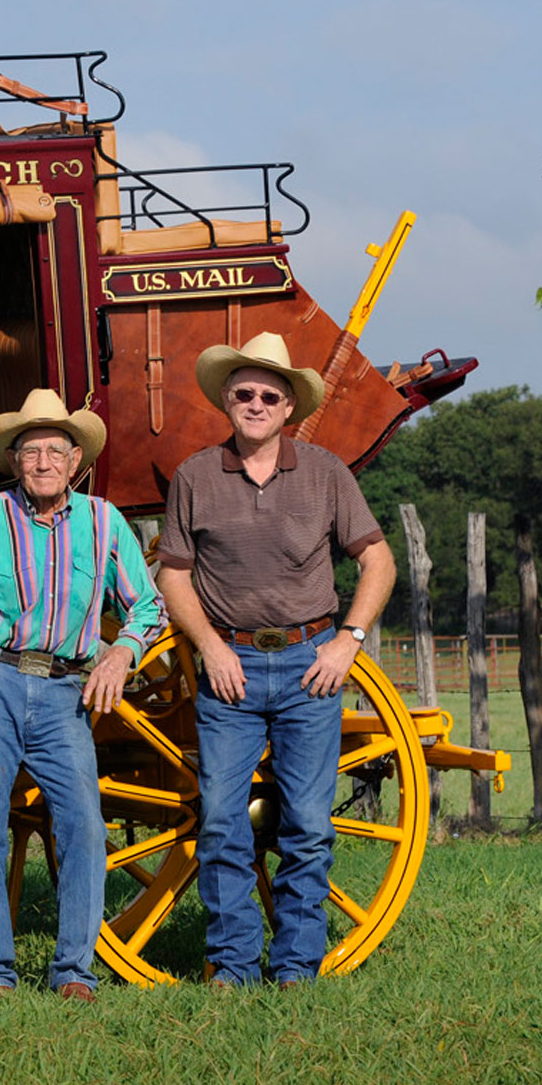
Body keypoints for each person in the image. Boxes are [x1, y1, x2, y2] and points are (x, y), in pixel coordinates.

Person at [155, 332, 395, 988]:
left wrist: (348, 638)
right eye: (244, 393)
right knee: (224, 824)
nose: (256, 403)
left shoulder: (324, 473)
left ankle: (294, 968)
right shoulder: (196, 477)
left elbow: (378, 560)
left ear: (289, 408)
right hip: (227, 666)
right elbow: (174, 574)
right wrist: (207, 645)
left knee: (309, 827)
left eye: (269, 395)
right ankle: (231, 967)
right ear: (226, 402)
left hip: (308, 665)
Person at [0, 388, 163, 1001]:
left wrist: (122, 650)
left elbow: (148, 605)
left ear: (75, 457)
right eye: (30, 451)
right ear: (13, 460)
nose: (41, 463)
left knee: (84, 826)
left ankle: (74, 973)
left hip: (66, 692)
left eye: (54, 450)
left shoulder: (104, 522)